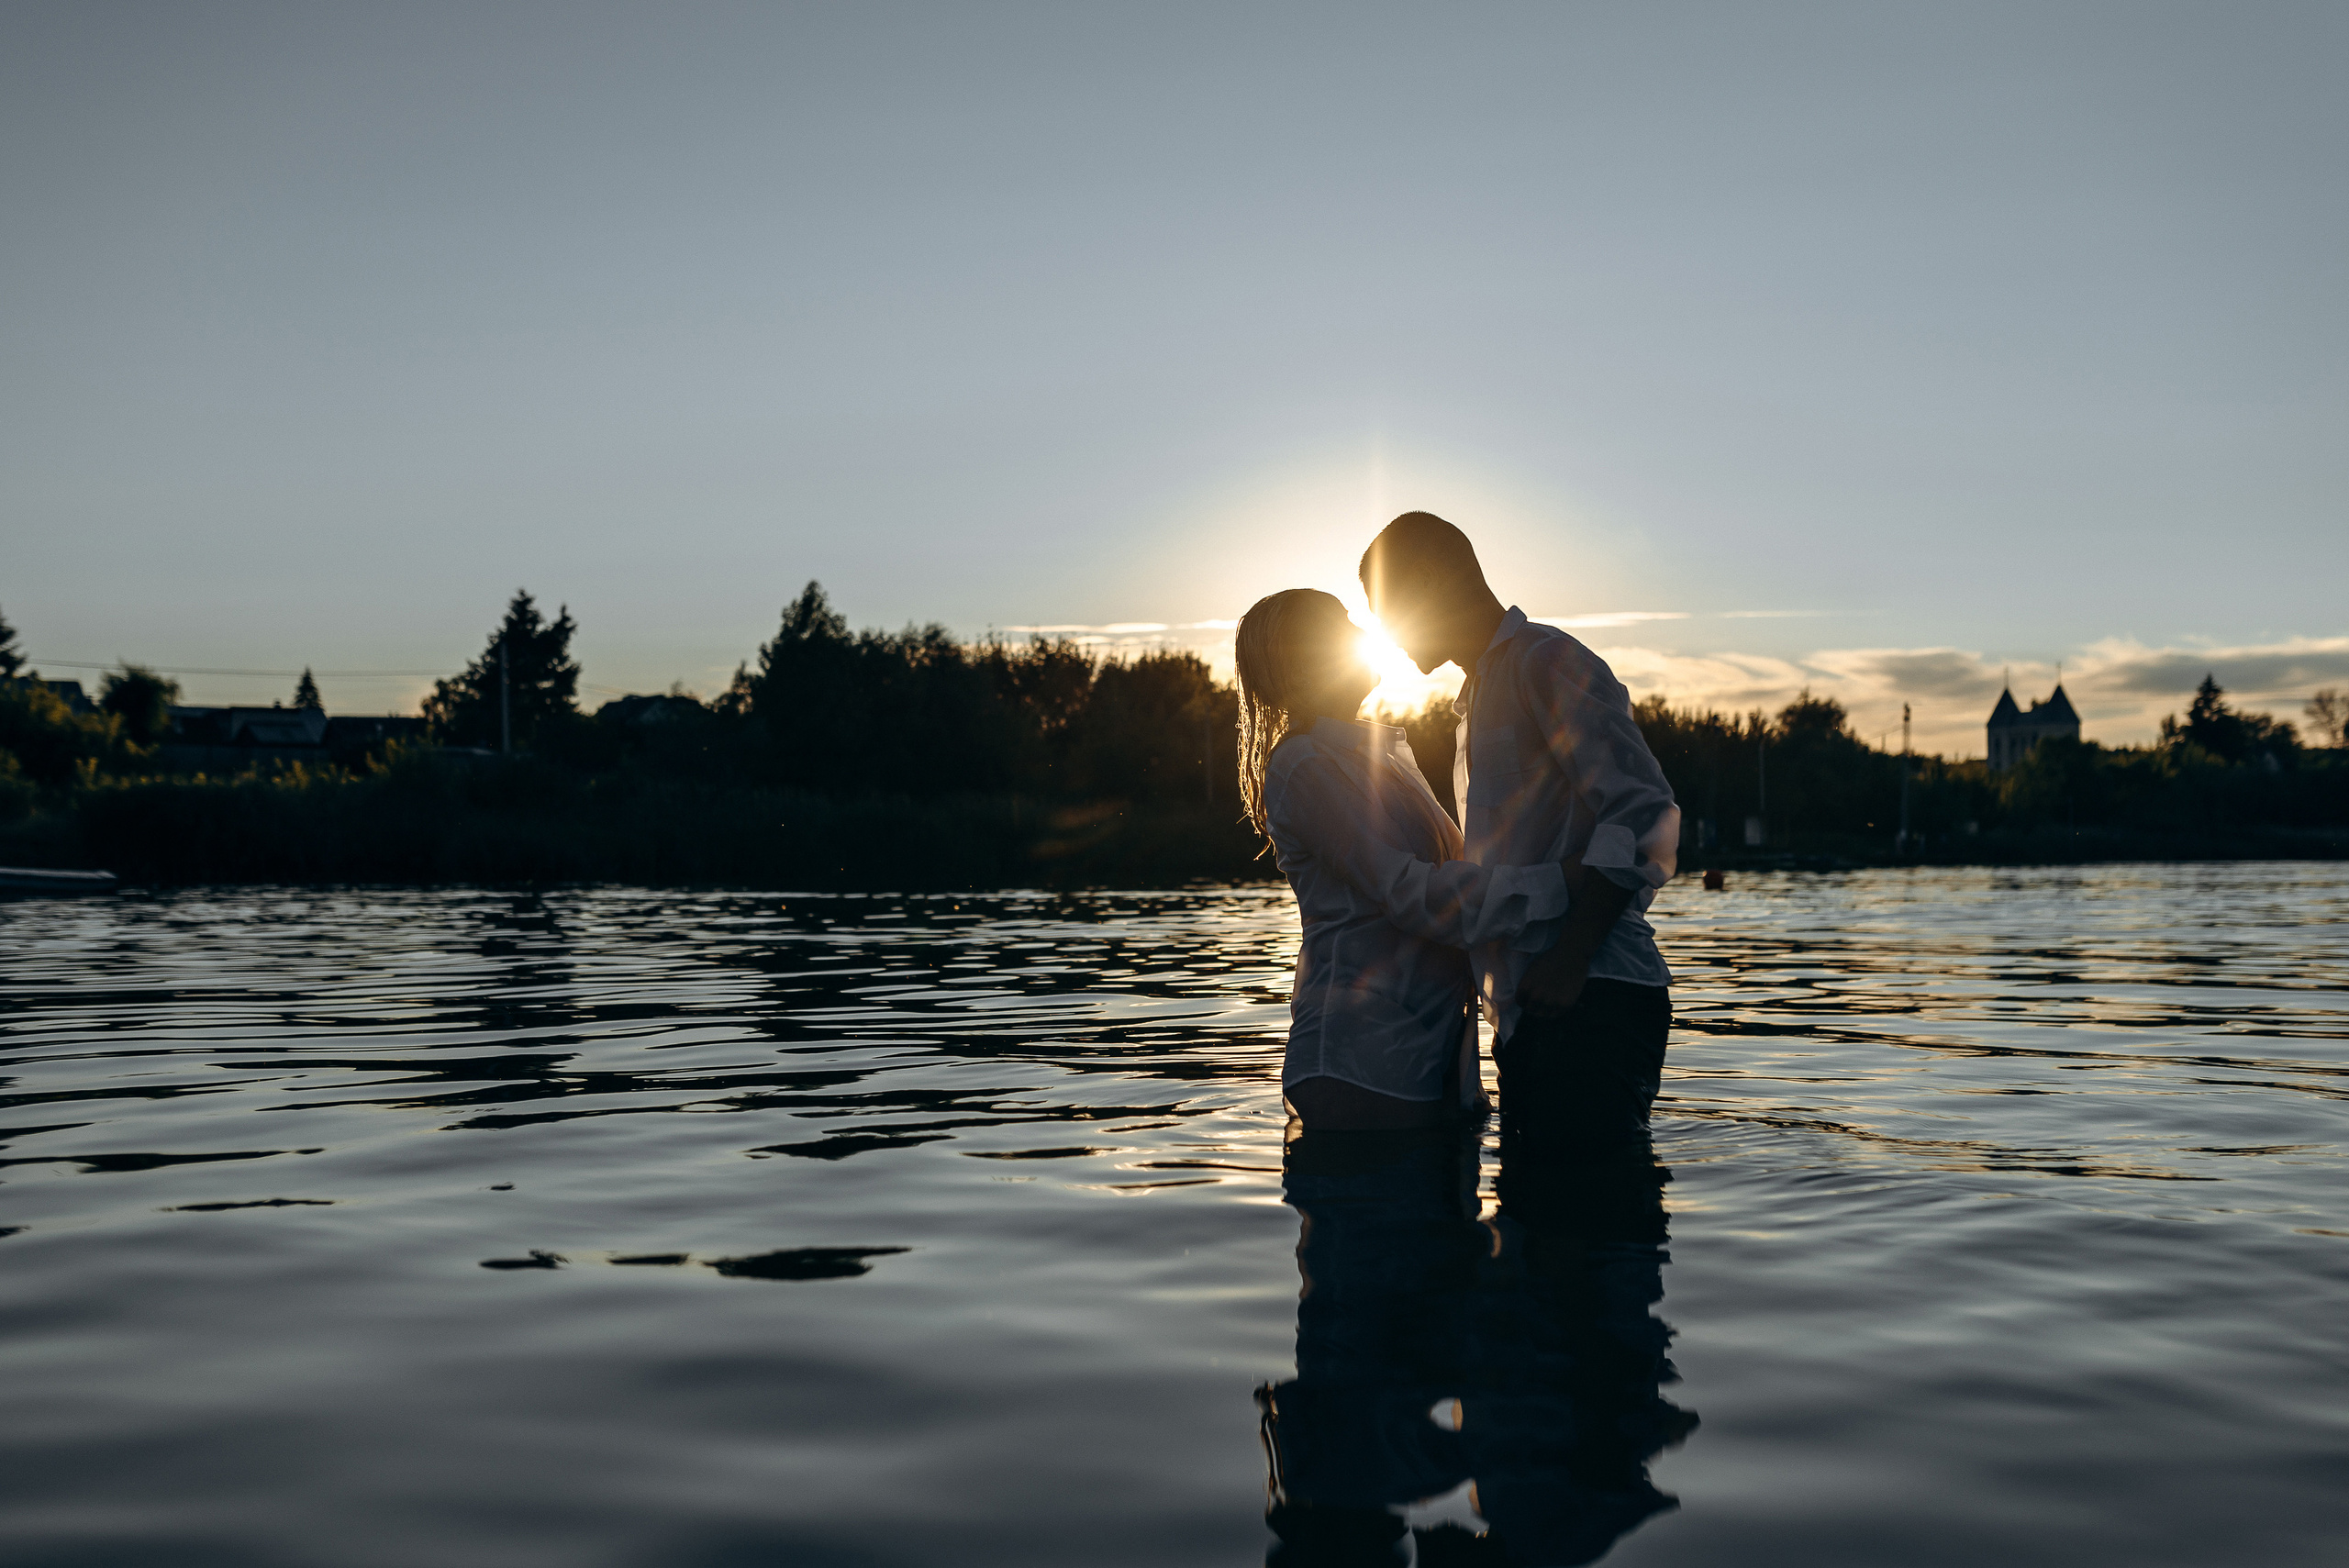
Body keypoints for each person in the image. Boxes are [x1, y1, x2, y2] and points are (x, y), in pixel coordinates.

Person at [1359, 512, 1681, 1141]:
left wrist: (1569, 955)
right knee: (1537, 1220)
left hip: (1592, 994)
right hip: (1531, 1004)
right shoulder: (1477, 699)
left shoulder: (1547, 661)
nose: (1384, 634)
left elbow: (1642, 811)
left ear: (1426, 582)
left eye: (1385, 610)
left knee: (1589, 1222)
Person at [1235, 588, 1573, 1131]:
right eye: (1338, 628)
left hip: (1425, 1047)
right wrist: (1557, 889)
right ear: (1295, 663)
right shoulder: (1303, 765)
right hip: (1361, 1058)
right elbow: (1408, 890)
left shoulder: (1374, 756)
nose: (1363, 635)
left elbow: (1459, 866)